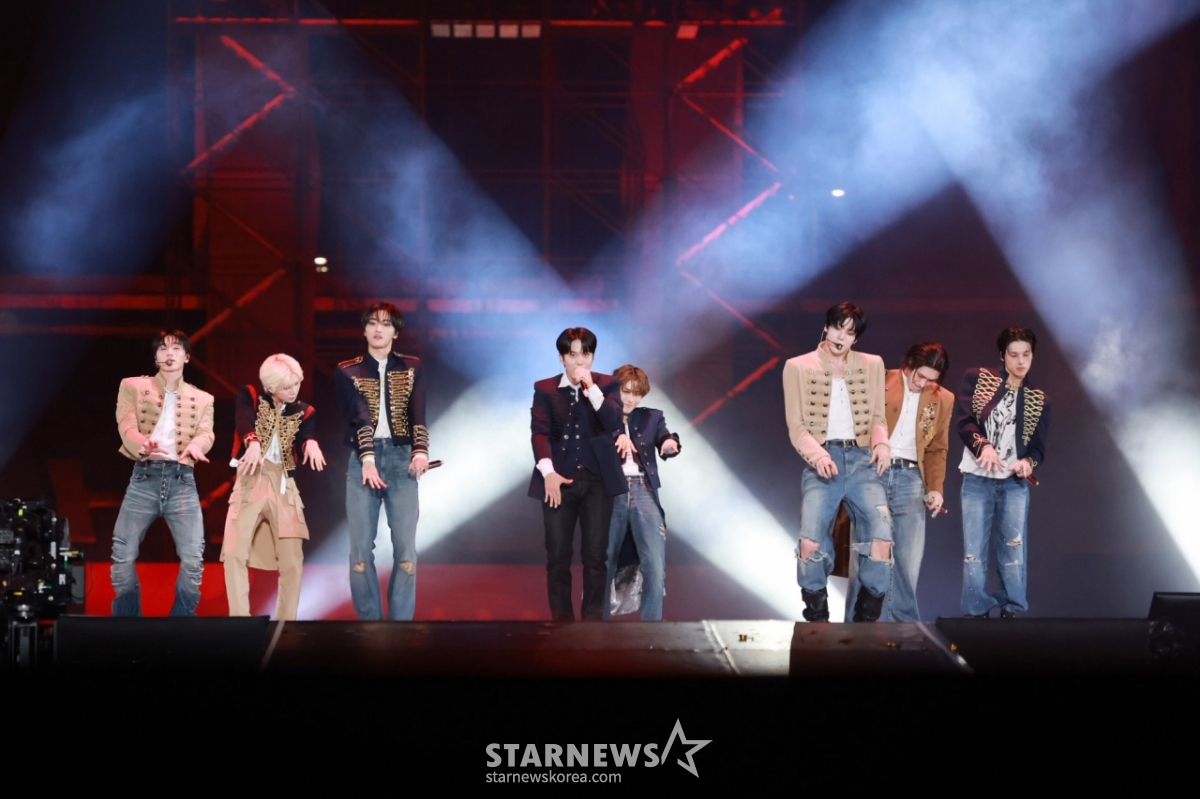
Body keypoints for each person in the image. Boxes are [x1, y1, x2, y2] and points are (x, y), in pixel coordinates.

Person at [783, 302, 893, 622]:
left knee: (882, 538)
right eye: (837, 328)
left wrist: (882, 444)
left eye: (849, 332)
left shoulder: (872, 364)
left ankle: (865, 622)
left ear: (856, 338)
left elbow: (877, 417)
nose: (841, 337)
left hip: (862, 462)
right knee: (810, 542)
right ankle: (817, 621)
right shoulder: (797, 366)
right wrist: (818, 455)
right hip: (823, 460)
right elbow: (797, 426)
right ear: (826, 327)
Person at [843, 342, 954, 622]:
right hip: (873, 472)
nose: (924, 384)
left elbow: (938, 448)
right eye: (920, 376)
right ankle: (854, 630)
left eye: (932, 380)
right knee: (866, 554)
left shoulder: (943, 399)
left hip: (911, 479)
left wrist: (935, 489)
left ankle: (904, 632)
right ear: (909, 365)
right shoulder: (880, 380)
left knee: (907, 561)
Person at [335, 303, 429, 621]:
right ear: (364, 329)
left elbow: (418, 413)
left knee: (406, 550)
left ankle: (400, 628)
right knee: (360, 551)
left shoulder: (412, 367)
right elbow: (357, 416)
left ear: (396, 332)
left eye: (386, 324)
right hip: (362, 460)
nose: (378, 329)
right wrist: (368, 458)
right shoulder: (347, 370)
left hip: (402, 460)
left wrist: (420, 451)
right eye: (373, 323)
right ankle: (369, 626)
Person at [111, 330, 215, 616]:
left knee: (193, 557)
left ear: (187, 357)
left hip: (182, 479)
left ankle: (180, 621)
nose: (169, 354)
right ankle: (127, 622)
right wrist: (141, 444)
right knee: (123, 553)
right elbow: (126, 423)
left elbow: (206, 432)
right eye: (163, 349)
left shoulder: (203, 398)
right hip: (144, 476)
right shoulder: (132, 386)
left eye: (176, 349)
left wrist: (196, 445)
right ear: (155, 356)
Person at [529, 328, 626, 621]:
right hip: (558, 481)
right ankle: (562, 625)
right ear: (562, 358)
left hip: (597, 482)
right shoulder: (545, 388)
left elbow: (613, 423)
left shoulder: (608, 385)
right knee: (558, 557)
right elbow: (540, 433)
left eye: (586, 354)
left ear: (592, 356)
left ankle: (592, 626)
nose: (580, 361)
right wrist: (548, 473)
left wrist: (591, 388)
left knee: (596, 557)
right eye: (573, 355)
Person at [222, 354, 325, 620]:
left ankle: (286, 623)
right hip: (251, 479)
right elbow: (243, 419)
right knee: (233, 552)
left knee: (293, 560)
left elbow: (305, 437)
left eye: (296, 384)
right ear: (271, 386)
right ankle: (239, 621)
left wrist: (310, 443)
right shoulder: (251, 396)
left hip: (283, 484)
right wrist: (253, 442)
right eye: (286, 386)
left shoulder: (305, 411)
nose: (293, 390)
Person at [957, 327, 1050, 619]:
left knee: (1013, 550)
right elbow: (964, 421)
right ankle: (976, 610)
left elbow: (1037, 449)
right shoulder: (979, 378)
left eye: (1026, 355)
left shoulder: (1038, 399)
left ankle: (1012, 609)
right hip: (977, 479)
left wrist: (1028, 464)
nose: (1021, 361)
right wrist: (983, 446)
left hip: (1012, 483)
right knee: (974, 553)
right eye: (1014, 355)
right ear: (1002, 355)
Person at [602, 364, 681, 621]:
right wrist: (616, 436)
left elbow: (665, 437)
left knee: (655, 566)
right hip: (610, 492)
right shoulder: (600, 415)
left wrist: (669, 444)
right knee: (603, 563)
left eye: (636, 393)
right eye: (625, 391)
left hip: (643, 490)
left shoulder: (652, 417)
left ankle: (652, 630)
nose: (630, 398)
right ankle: (595, 629)